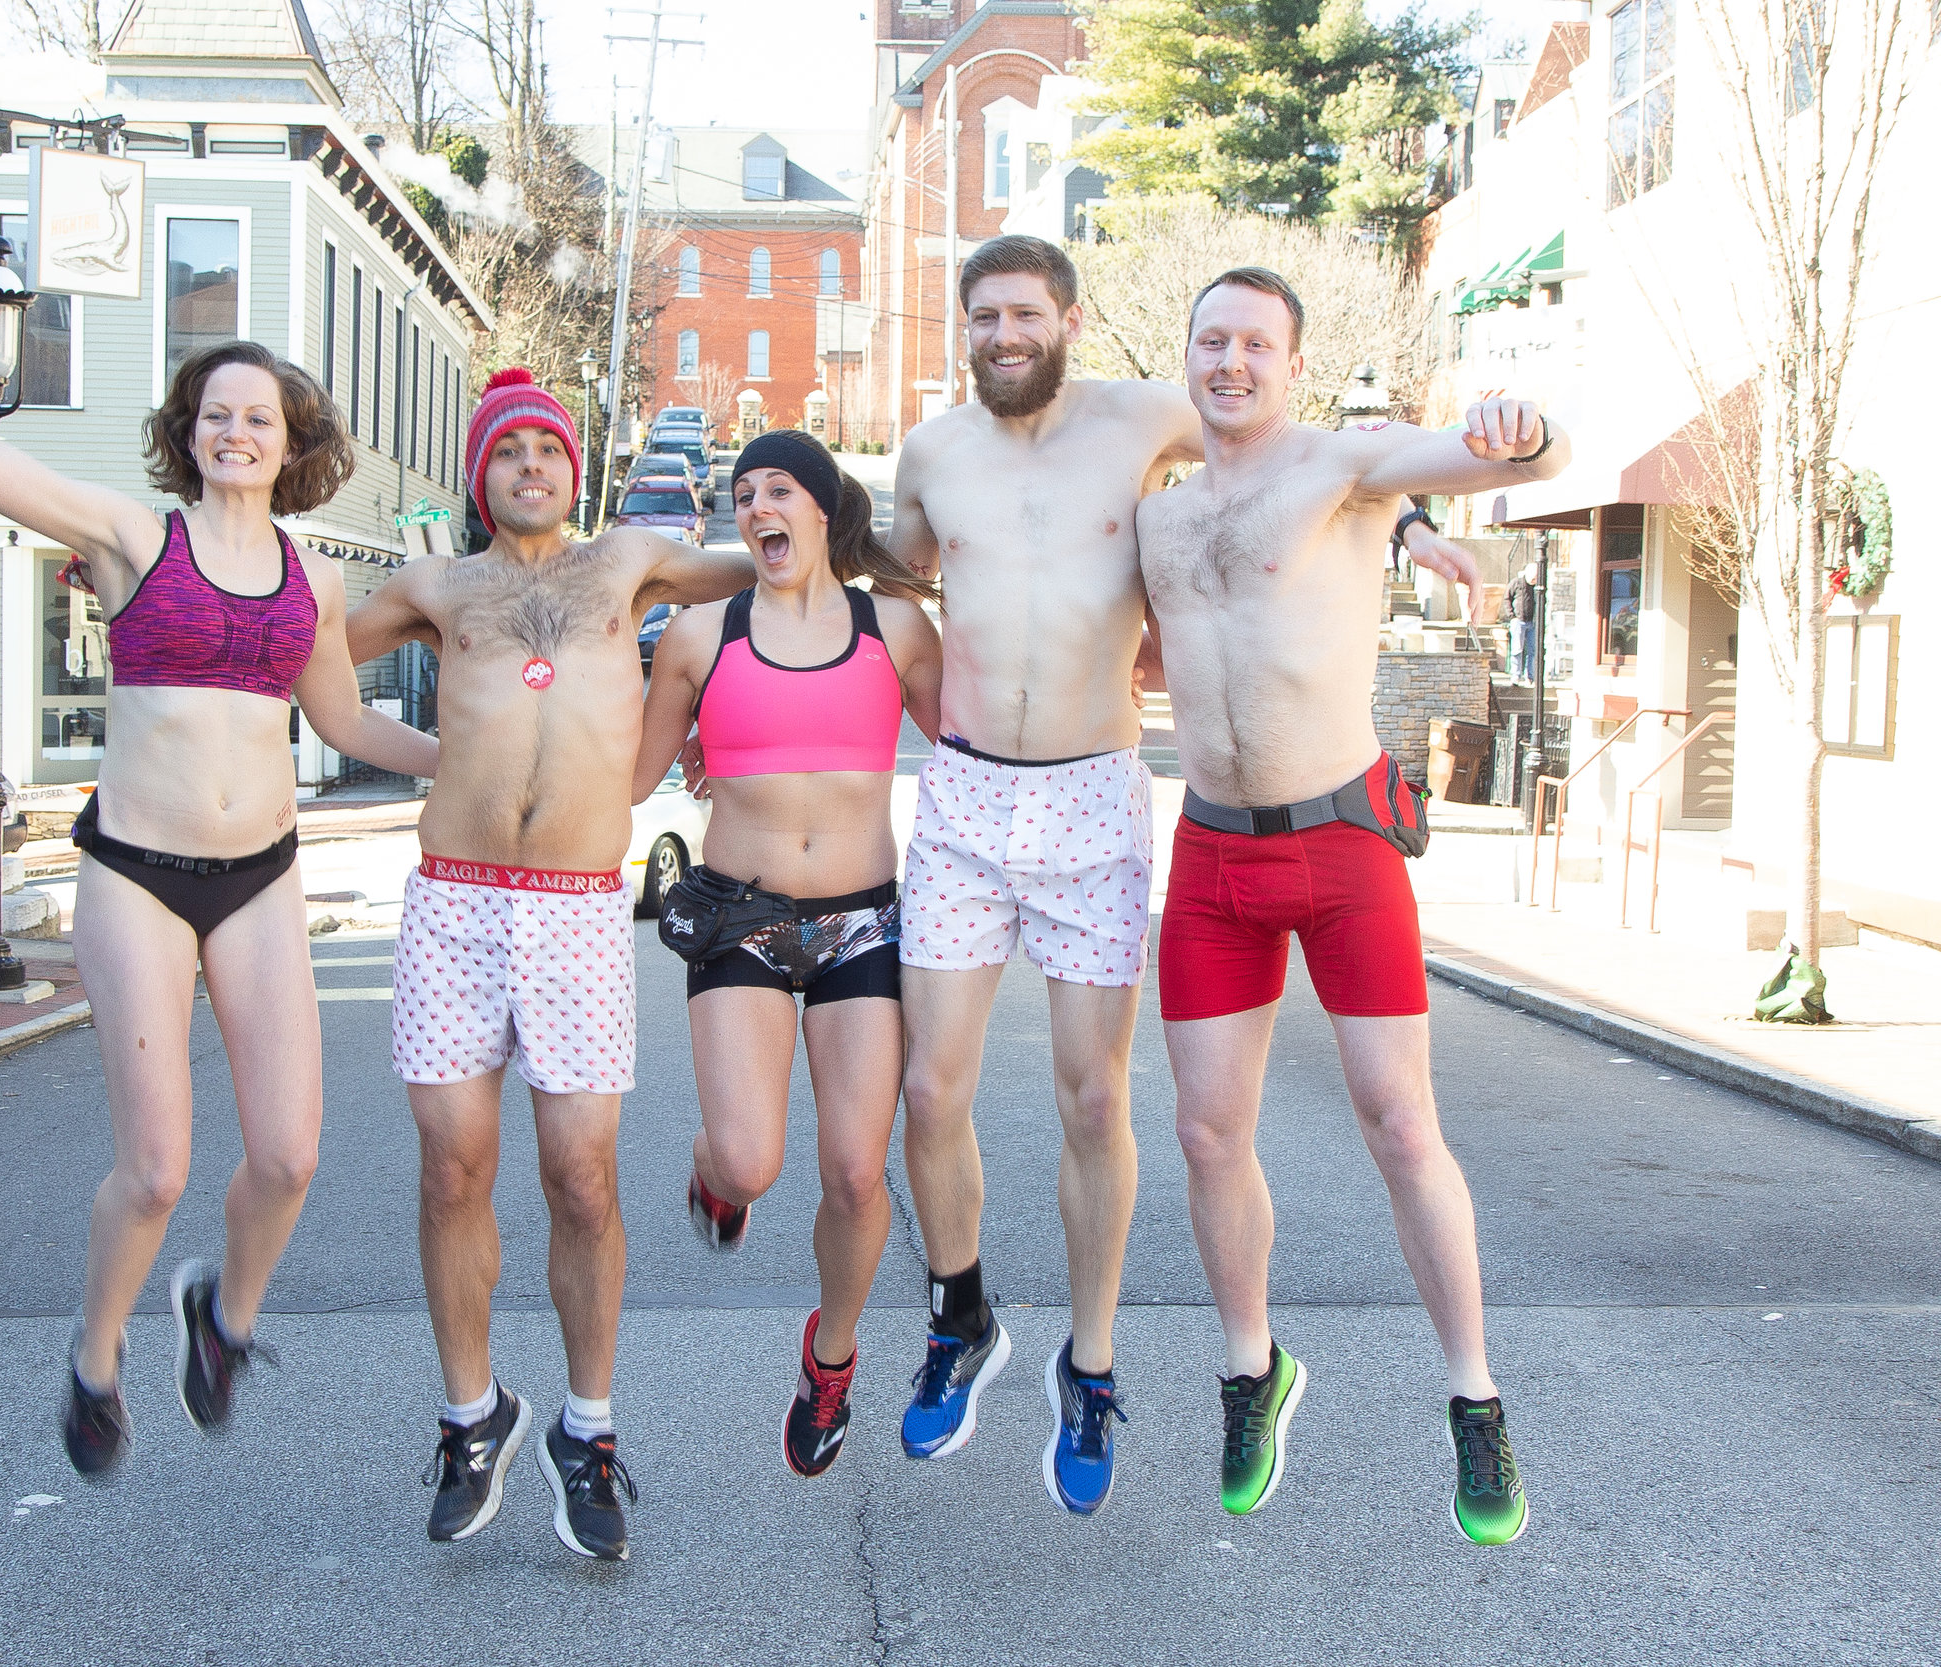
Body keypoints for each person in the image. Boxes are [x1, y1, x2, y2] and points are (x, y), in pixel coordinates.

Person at [880, 234, 1479, 1518]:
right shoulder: (931, 453)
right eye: (983, 315)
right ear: (963, 326)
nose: (1004, 334)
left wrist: (1412, 515)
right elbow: (882, 573)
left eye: (1026, 313)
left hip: (1098, 788)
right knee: (928, 1084)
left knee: (1098, 1099)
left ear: (1071, 320)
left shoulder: (1150, 414)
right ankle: (959, 1310)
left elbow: (1308, 455)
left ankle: (1090, 1365)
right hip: (972, 788)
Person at [0, 182, 441, 1478]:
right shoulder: (134, 537)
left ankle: (221, 1316)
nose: (238, 432)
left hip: (259, 879)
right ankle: (94, 1349)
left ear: (292, 437)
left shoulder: (316, 576)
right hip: (135, 872)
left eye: (261, 416)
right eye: (217, 414)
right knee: (155, 1166)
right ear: (188, 432)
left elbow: (351, 725)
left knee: (290, 1153)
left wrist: (474, 762)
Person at [1139, 265, 1567, 1547]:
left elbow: (1515, 461)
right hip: (1211, 857)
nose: (1230, 362)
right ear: (1190, 354)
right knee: (1209, 1136)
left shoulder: (1341, 467)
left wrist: (1514, 424)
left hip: (1338, 848)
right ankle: (1249, 1368)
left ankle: (1473, 1397)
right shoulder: (1154, 520)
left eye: (1255, 343)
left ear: (1292, 362)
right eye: (1210, 339)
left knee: (1396, 1118)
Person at [343, 370, 752, 1561]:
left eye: (550, 449)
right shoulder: (436, 584)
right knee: (453, 1166)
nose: (533, 463)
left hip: (576, 911)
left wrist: (896, 551)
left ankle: (589, 1426)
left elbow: (781, 567)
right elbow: (301, 648)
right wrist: (436, 754)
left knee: (582, 1177)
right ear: (480, 472)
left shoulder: (627, 561)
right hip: (454, 906)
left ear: (576, 468)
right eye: (510, 449)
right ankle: (473, 1417)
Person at [632, 430, 942, 1481]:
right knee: (752, 1159)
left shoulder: (892, 625)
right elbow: (629, 775)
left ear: (821, 508)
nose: (758, 506)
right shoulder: (698, 634)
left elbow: (980, 744)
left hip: (864, 918)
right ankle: (715, 1170)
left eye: (779, 489)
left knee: (857, 1170)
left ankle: (832, 1357)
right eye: (742, 494)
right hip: (740, 916)